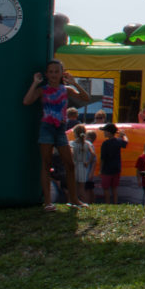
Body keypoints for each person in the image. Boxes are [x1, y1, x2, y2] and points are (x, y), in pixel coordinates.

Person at [22, 60, 88, 210]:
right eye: (50, 72)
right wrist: (34, 83)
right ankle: (48, 202)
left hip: (60, 128)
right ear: (46, 74)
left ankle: (74, 199)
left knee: (70, 164)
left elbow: (86, 98)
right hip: (46, 127)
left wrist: (74, 83)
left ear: (61, 74)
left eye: (56, 72)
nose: (53, 75)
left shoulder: (66, 89)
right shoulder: (42, 90)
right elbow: (26, 101)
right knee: (46, 164)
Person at [97, 123, 127, 205]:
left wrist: (100, 170)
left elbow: (102, 158)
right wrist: (123, 135)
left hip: (106, 169)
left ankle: (107, 203)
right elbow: (126, 142)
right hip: (116, 168)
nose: (104, 133)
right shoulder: (118, 141)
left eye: (105, 131)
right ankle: (115, 203)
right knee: (114, 188)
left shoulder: (105, 143)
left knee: (106, 188)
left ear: (109, 132)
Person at [70, 125, 97, 205]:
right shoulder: (87, 143)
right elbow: (93, 154)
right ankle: (85, 203)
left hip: (75, 165)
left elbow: (71, 154)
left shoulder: (72, 143)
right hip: (83, 166)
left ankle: (74, 202)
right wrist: (88, 162)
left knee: (75, 187)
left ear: (75, 133)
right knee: (82, 188)